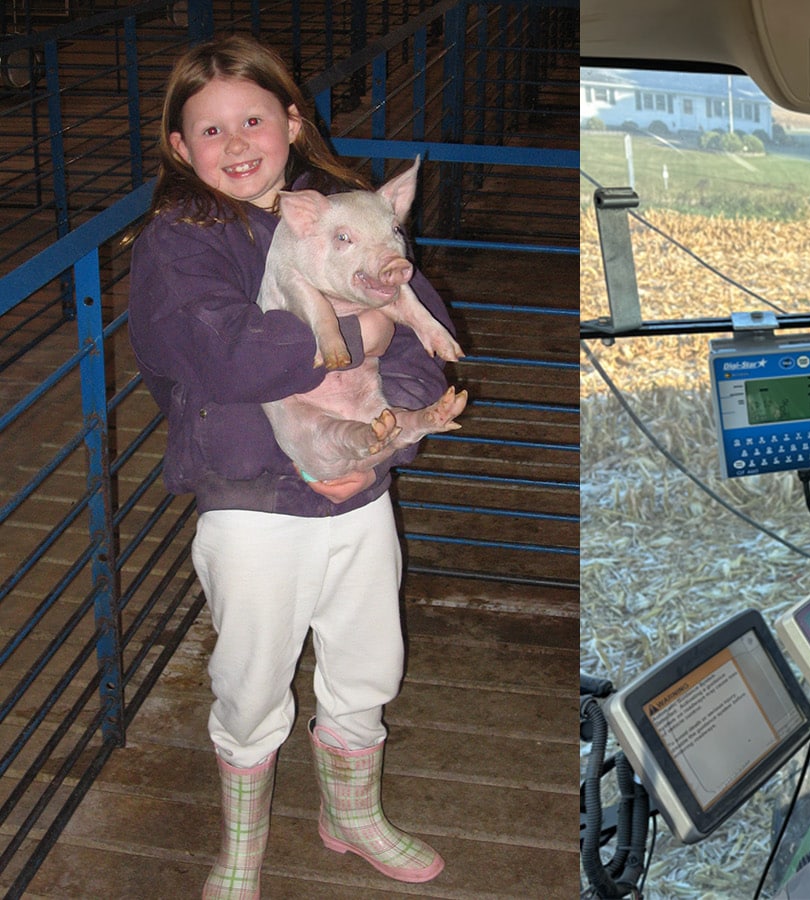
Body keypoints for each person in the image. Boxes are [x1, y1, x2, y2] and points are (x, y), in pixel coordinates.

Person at [127, 35, 458, 898]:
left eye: (253, 120)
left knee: (368, 658)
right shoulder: (178, 245)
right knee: (250, 677)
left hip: (360, 494)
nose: (236, 144)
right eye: (210, 130)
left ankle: (351, 815)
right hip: (252, 503)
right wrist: (366, 327)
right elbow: (229, 356)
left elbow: (423, 356)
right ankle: (243, 845)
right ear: (180, 148)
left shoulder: (354, 215)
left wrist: (387, 443)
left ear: (293, 123)